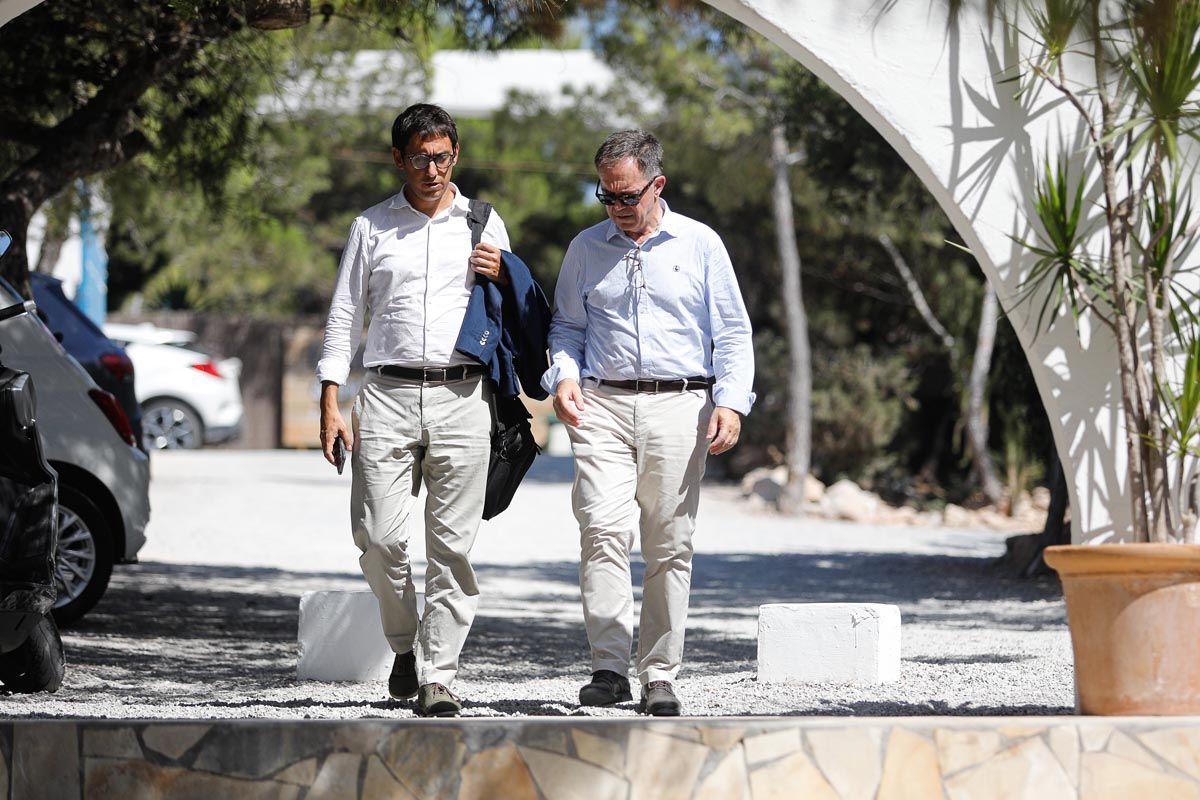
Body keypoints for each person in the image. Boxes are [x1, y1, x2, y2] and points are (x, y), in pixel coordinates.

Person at [542, 130, 755, 716]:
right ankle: (608, 669)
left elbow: (733, 332)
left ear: (657, 185)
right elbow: (567, 329)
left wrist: (731, 401)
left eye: (627, 196)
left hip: (680, 404)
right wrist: (562, 376)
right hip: (602, 405)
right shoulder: (585, 248)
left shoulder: (701, 244)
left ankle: (658, 673)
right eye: (606, 197)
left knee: (669, 543)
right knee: (602, 532)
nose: (616, 208)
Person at [317, 103, 509, 718]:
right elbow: (345, 315)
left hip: (463, 396)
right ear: (398, 158)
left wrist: (504, 274)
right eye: (421, 157)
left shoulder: (483, 222)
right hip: (386, 396)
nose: (433, 169)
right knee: (377, 538)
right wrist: (330, 400)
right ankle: (404, 643)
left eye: (444, 156)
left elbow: (514, 309)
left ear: (456, 155)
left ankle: (439, 674)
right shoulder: (371, 227)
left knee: (451, 548)